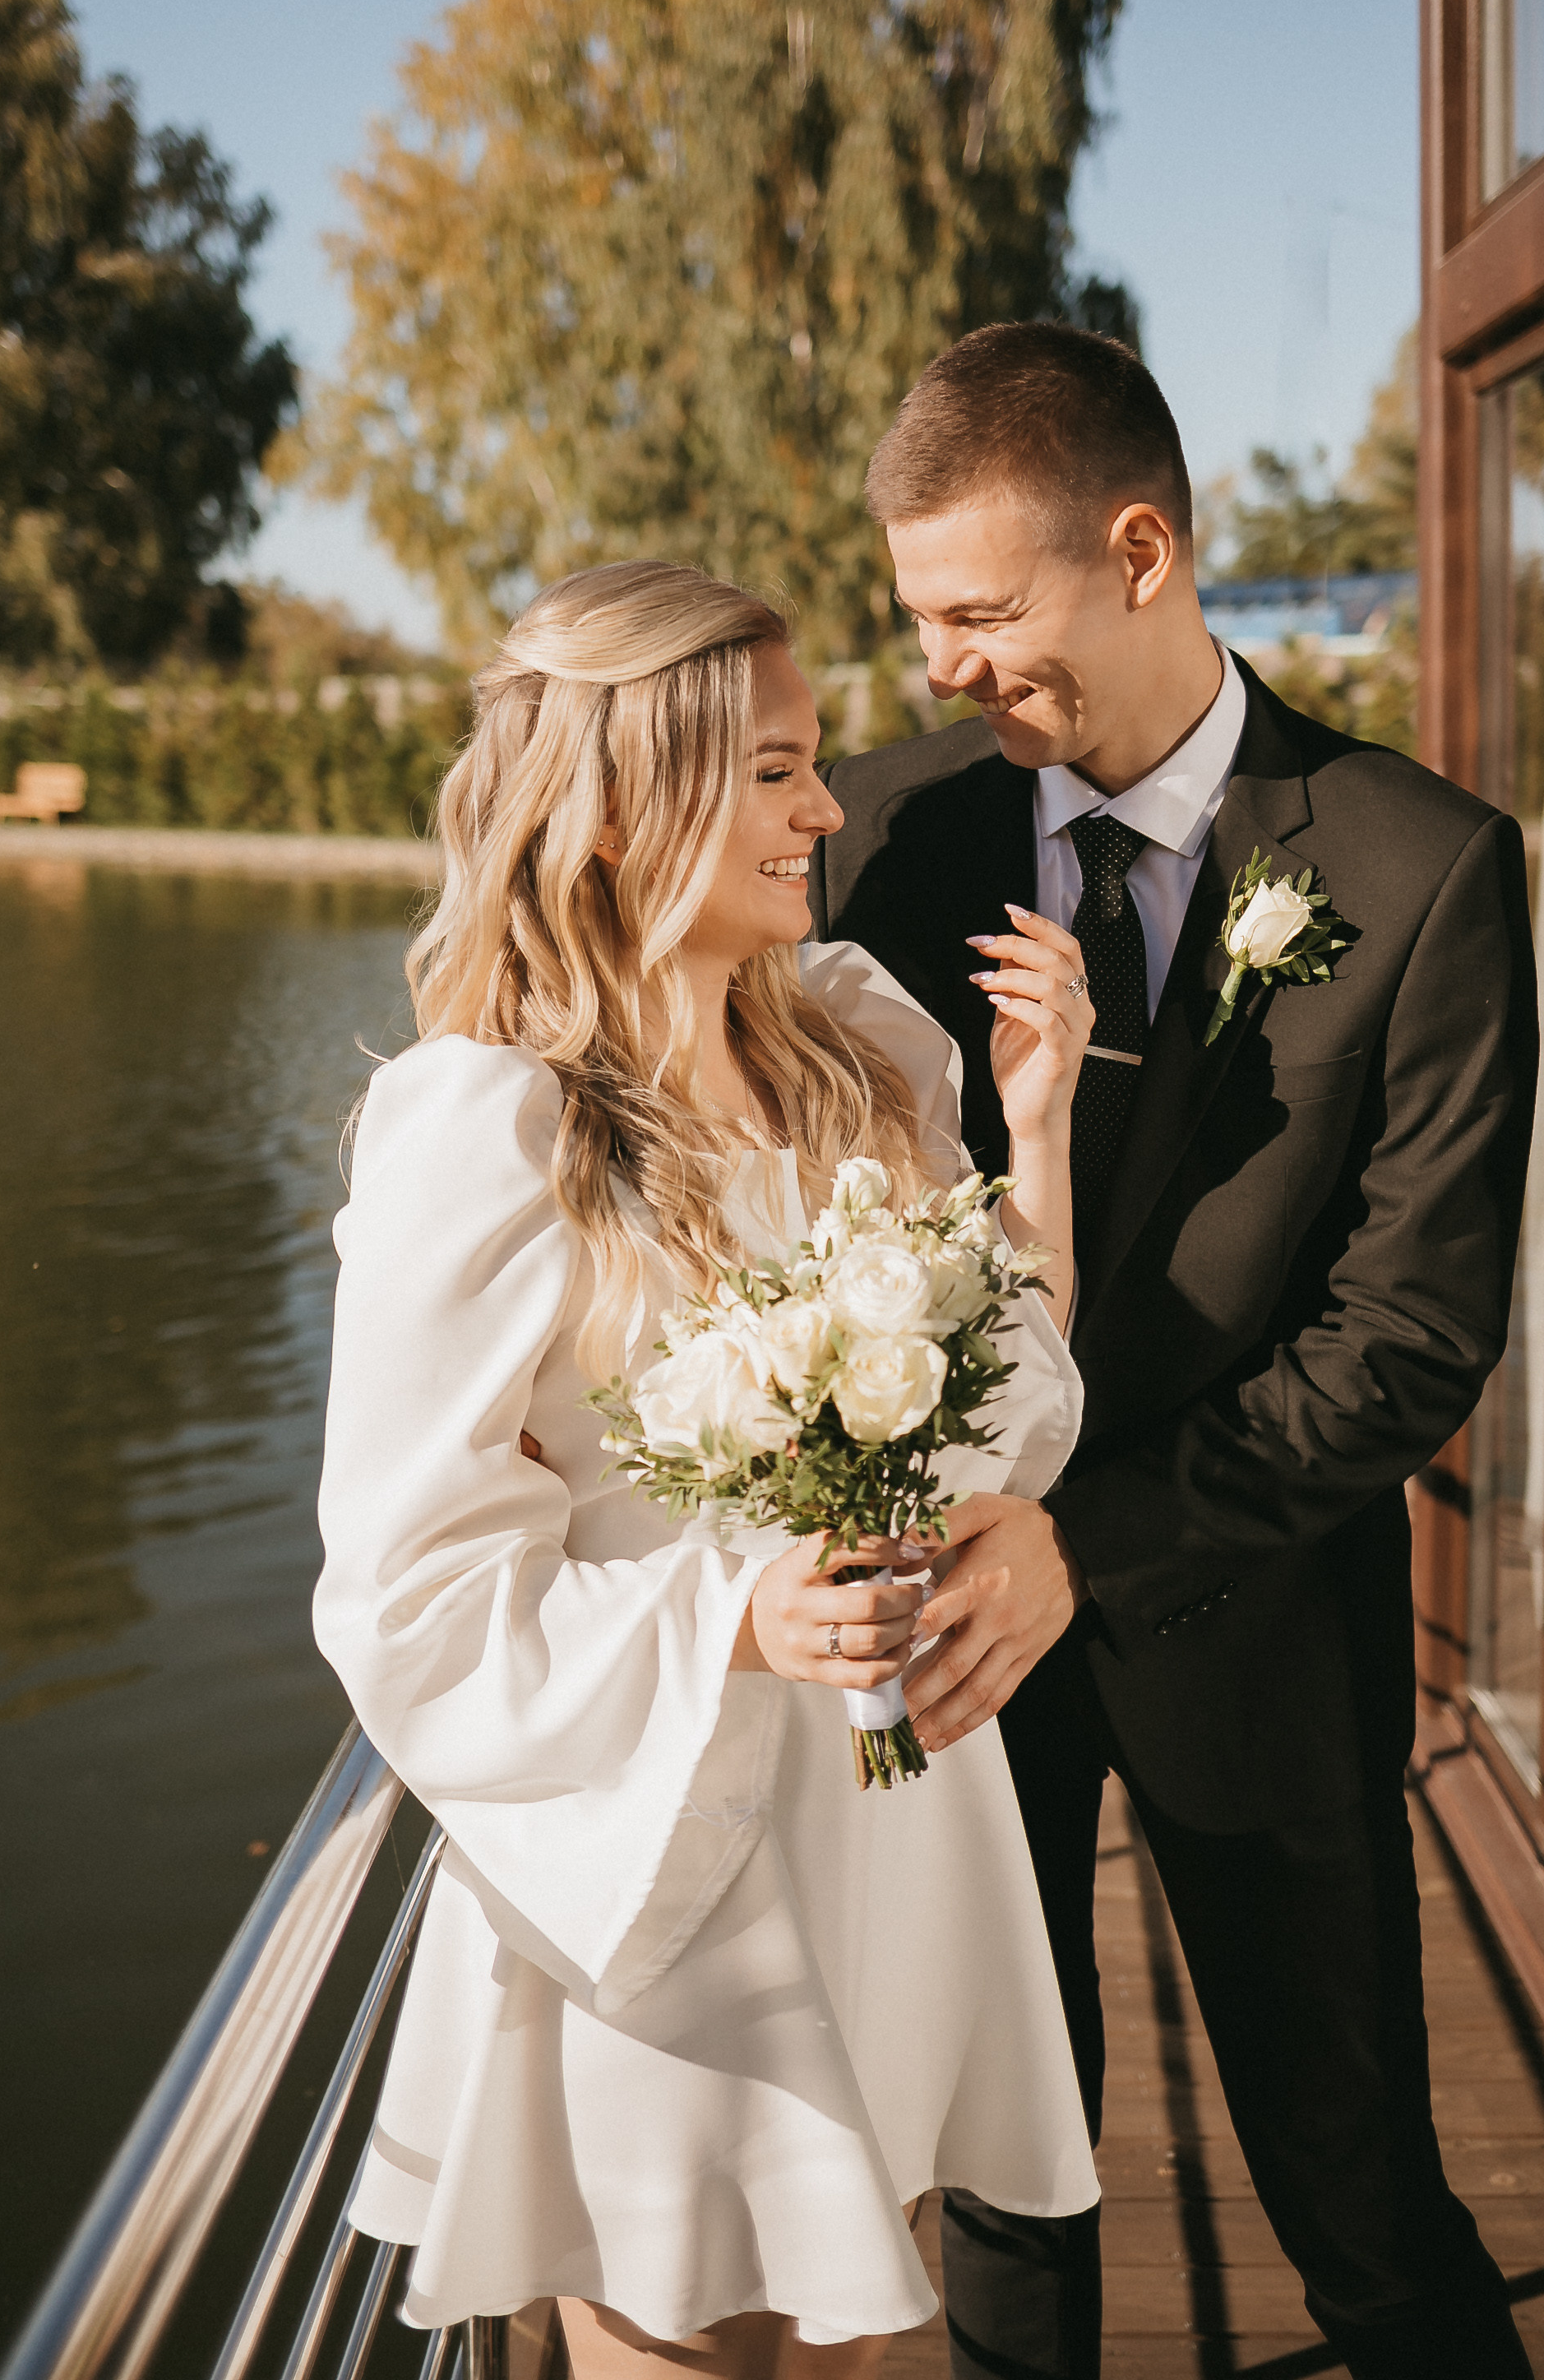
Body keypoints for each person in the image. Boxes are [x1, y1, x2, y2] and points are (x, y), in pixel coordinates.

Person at [810, 321, 1540, 2380]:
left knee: (1365, 2213)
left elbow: (1405, 1340)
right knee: (1008, 2218)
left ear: (1137, 552)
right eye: (917, 620)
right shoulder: (876, 837)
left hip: (1259, 1641)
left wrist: (1089, 1544)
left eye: (976, 611)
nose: (941, 666)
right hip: (946, 1669)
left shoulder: (1418, 870)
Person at [313, 560, 1104, 2380]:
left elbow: (1009, 1395)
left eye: (811, 761)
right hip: (663, 1877)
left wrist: (1037, 1129)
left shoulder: (855, 1050)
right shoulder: (491, 1124)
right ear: (612, 812)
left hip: (887, 1846)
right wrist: (736, 1616)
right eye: (771, 769)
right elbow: (410, 1601)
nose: (826, 809)